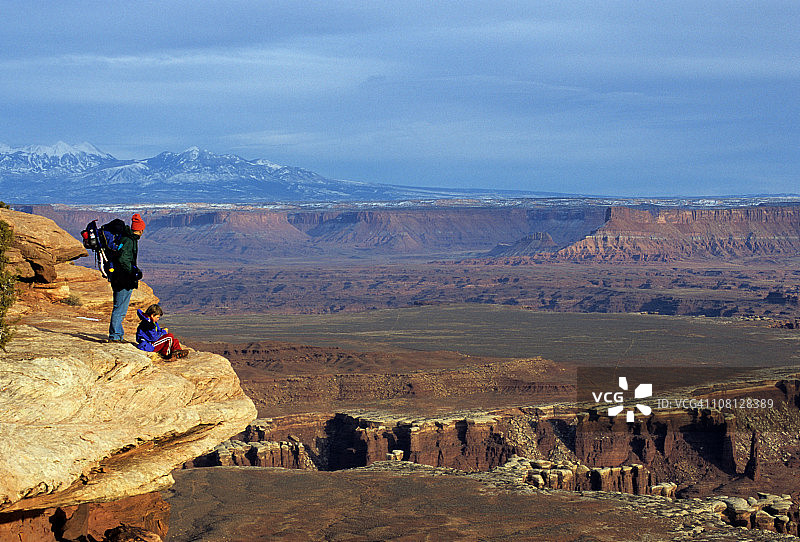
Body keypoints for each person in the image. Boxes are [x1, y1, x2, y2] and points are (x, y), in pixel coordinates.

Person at [107, 213, 146, 342]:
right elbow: (123, 259)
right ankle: (115, 336)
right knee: (120, 308)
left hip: (121, 278)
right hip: (122, 279)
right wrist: (132, 272)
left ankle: (118, 335)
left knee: (120, 308)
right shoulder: (129, 240)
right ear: (140, 230)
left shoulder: (127, 238)